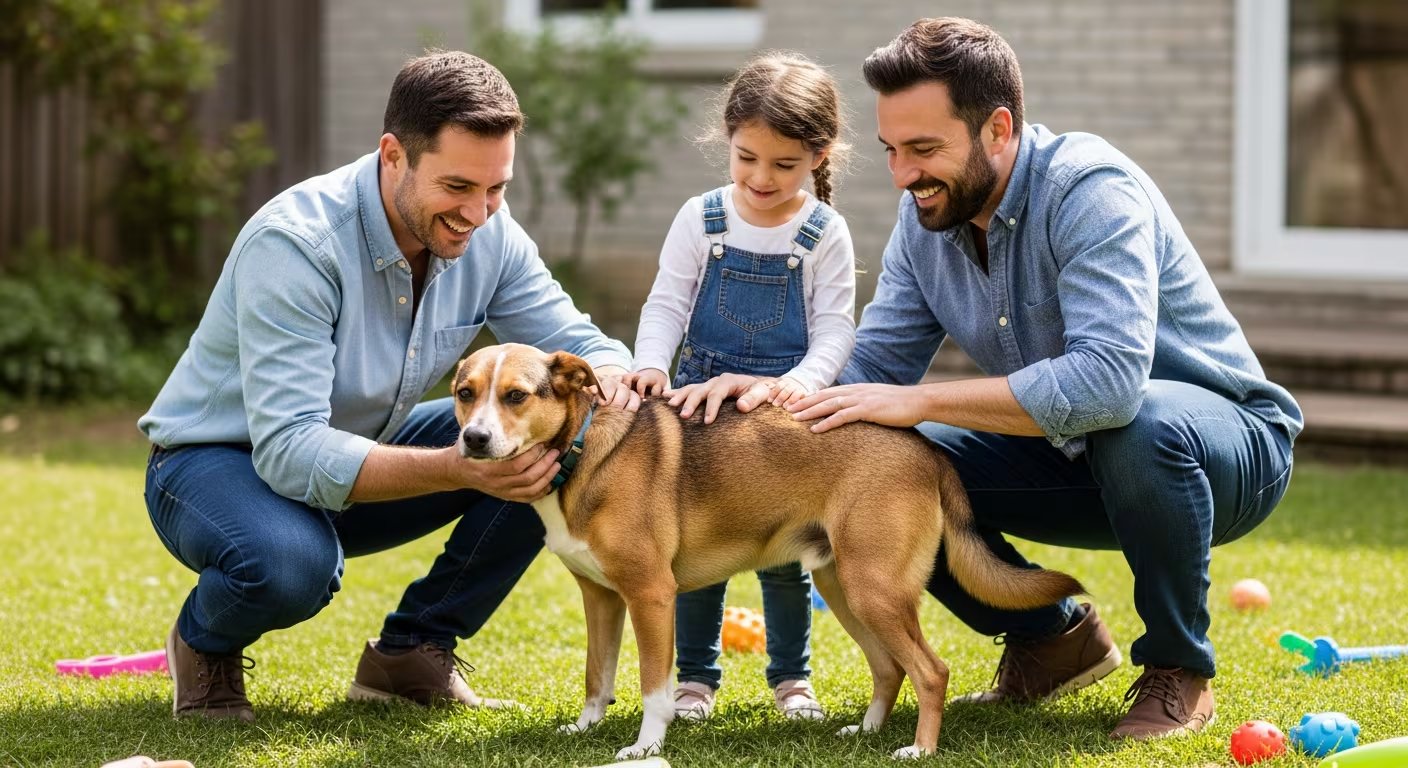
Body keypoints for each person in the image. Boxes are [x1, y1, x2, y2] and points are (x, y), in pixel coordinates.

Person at [668, 18, 1301, 741]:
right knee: (883, 460)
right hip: (1074, 456)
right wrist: (767, 391)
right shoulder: (924, 217)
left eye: (925, 149)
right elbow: (874, 368)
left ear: (997, 130)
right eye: (892, 151)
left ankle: (1178, 671)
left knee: (1141, 424)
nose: (904, 176)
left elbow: (1112, 383)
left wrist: (924, 399)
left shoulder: (1090, 190)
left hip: (1222, 455)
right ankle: (1053, 640)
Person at [138, 50, 639, 723]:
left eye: (497, 189)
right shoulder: (297, 245)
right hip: (214, 465)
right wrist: (459, 467)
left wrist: (619, 375)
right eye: (458, 187)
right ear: (393, 155)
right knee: (291, 566)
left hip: (357, 446)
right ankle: (205, 642)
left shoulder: (490, 232)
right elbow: (289, 451)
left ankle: (411, 651)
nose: (480, 213)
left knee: (551, 441)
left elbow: (579, 341)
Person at [620, 51, 857, 723]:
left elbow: (836, 335)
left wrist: (786, 389)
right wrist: (651, 367)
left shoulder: (823, 232)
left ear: (819, 154)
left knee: (785, 556)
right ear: (727, 138)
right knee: (695, 549)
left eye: (784, 165)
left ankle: (792, 681)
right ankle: (695, 681)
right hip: (695, 418)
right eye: (747, 157)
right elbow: (666, 303)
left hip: (779, 424)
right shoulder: (701, 219)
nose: (761, 178)